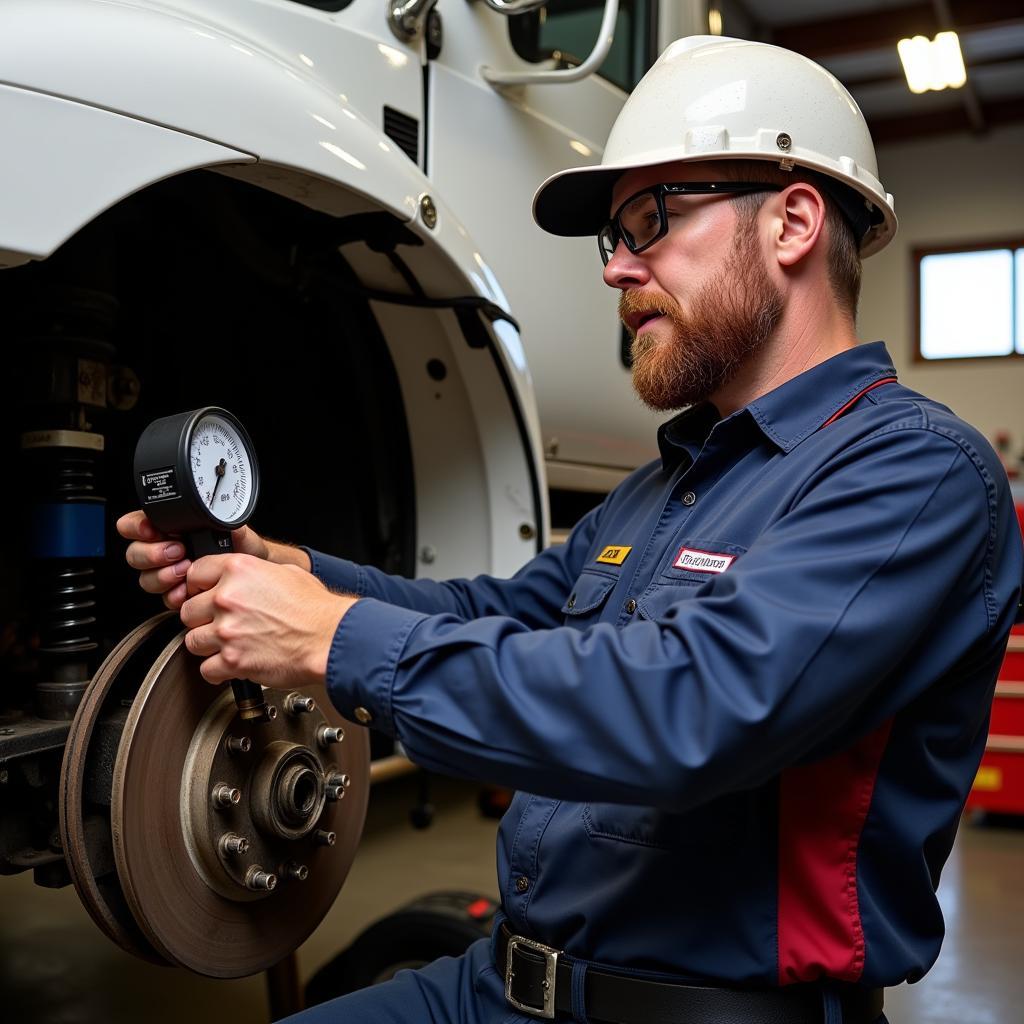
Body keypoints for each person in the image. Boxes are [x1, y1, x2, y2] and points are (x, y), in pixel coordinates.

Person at [118, 36, 1021, 1024]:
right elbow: (499, 613)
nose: (616, 268)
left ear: (793, 222)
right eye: (614, 236)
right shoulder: (660, 488)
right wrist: (297, 576)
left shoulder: (914, 472)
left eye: (652, 221)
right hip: (499, 986)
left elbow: (697, 708)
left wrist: (329, 641)